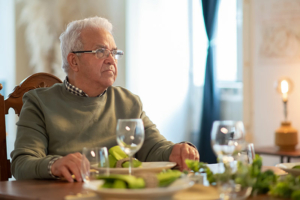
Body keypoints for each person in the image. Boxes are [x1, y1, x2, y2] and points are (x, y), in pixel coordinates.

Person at [11, 16, 199, 182]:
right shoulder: (38, 102)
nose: (111, 60)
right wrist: (54, 165)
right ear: (74, 61)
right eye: (101, 51)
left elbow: (155, 148)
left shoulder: (128, 101)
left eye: (114, 52)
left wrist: (176, 151)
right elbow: (22, 164)